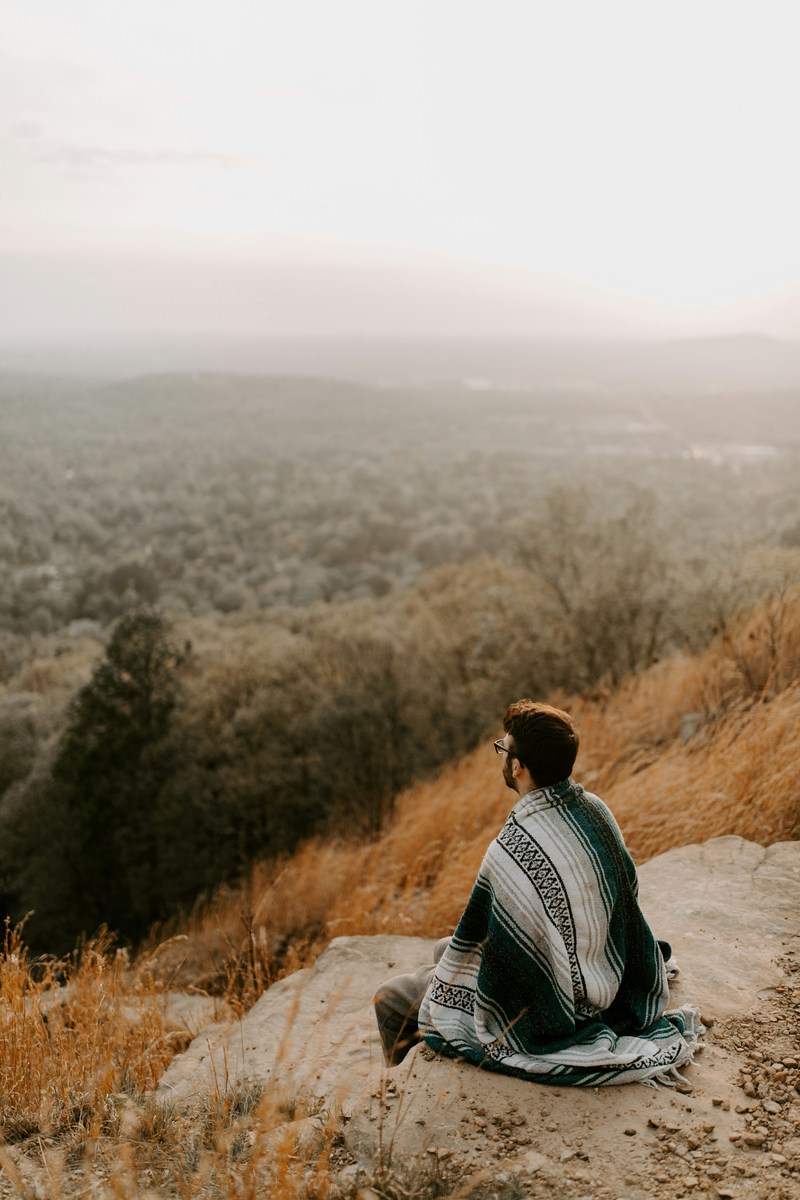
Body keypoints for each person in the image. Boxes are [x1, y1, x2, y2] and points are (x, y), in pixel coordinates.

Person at [373, 699, 702, 1085]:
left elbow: (495, 944)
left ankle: (403, 1091)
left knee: (391, 998)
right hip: (605, 970)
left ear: (518, 766)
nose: (503, 754)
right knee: (444, 949)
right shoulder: (596, 810)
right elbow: (627, 896)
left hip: (559, 1006)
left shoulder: (512, 849)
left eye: (505, 747)